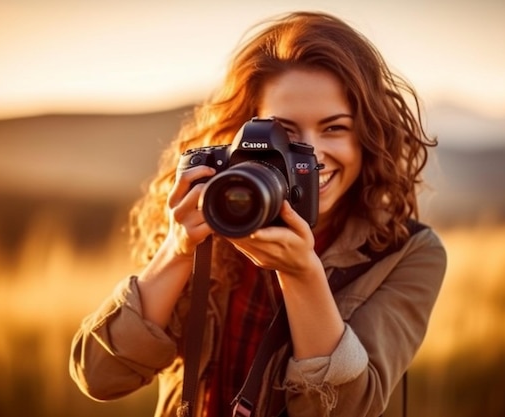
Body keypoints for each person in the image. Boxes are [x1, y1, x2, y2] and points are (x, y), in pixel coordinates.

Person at [69, 10, 447, 417]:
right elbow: (100, 377)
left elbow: (348, 410)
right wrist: (177, 251)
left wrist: (302, 275)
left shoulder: (405, 253)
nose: (314, 155)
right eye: (284, 131)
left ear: (368, 136)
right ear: (245, 134)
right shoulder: (219, 209)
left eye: (334, 128)